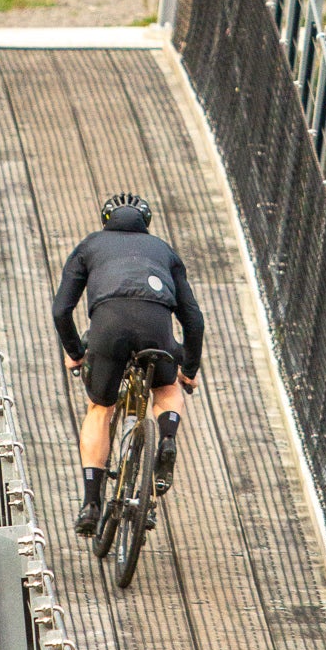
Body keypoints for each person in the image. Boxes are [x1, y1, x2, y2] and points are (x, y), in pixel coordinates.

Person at [52, 192, 204, 538]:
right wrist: (189, 370)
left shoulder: (89, 246)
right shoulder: (164, 251)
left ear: (105, 221)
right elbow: (194, 320)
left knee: (100, 408)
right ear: (146, 224)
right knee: (166, 387)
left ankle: (91, 502)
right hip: (156, 325)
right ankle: (166, 438)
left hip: (108, 326)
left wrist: (75, 351)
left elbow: (62, 309)